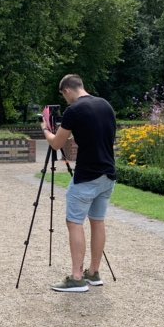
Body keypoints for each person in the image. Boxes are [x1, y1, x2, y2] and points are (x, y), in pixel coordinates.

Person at [40, 74, 116, 293]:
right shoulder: (105, 105)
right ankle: (93, 272)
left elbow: (56, 144)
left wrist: (46, 129)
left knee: (74, 222)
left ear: (67, 91)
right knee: (97, 222)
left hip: (86, 176)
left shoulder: (74, 110)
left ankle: (76, 278)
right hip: (108, 174)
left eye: (64, 96)